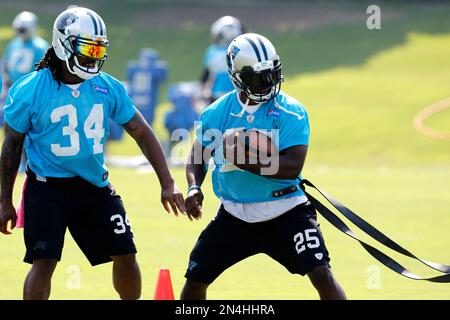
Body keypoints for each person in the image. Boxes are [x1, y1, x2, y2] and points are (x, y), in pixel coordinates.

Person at [0, 7, 186, 300]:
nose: (94, 55)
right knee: (43, 261)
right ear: (64, 44)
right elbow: (11, 147)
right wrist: (4, 200)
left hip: (94, 186)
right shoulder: (31, 89)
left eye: (99, 48)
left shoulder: (106, 87)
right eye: (87, 48)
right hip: (46, 187)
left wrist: (167, 182)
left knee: (126, 252)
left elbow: (141, 131)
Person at [180, 33, 347, 300]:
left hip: (287, 210)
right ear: (236, 76)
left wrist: (245, 161)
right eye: (258, 78)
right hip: (233, 213)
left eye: (271, 74)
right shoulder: (216, 113)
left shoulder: (291, 111)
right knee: (195, 281)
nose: (267, 83)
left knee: (320, 272)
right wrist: (193, 187)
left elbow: (292, 166)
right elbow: (198, 154)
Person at [1, 11, 48, 170]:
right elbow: (6, 66)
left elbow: (45, 72)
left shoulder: (39, 46)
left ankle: (29, 161)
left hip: (33, 93)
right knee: (14, 129)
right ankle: (20, 161)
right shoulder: (14, 44)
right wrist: (7, 85)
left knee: (32, 129)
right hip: (16, 92)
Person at [199, 16, 245, 105]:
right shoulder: (240, 51)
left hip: (222, 96)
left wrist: (202, 90)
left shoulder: (213, 51)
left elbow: (206, 74)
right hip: (232, 96)